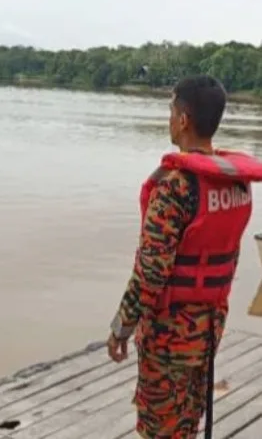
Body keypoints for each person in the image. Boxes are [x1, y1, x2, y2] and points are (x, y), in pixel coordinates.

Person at [106, 75, 262, 438]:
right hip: (210, 327)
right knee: (188, 421)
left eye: (171, 109)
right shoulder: (236, 183)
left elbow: (151, 272)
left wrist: (121, 327)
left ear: (183, 119)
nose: (168, 118)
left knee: (160, 427)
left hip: (169, 336)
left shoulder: (175, 186)